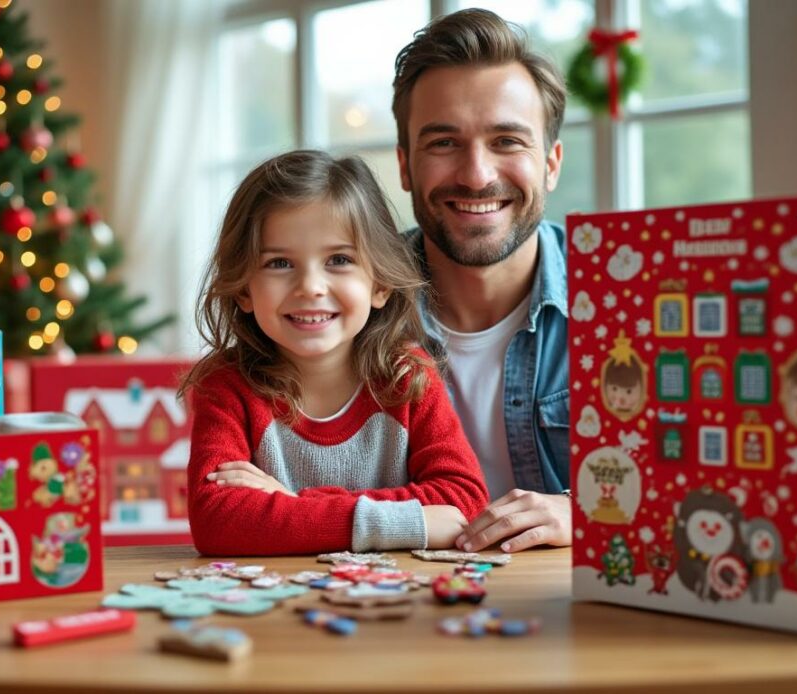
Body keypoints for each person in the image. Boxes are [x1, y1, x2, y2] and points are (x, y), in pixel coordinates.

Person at [181, 150, 489, 556]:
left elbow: (463, 503)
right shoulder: (226, 386)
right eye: (279, 263)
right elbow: (216, 522)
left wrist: (291, 503)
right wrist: (403, 521)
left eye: (339, 260)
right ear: (243, 289)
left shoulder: (407, 376)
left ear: (380, 284)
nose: (310, 287)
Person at [392, 8, 571, 552]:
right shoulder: (343, 307)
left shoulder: (631, 300)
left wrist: (590, 513)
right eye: (443, 143)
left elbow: (710, 485)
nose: (476, 175)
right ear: (405, 166)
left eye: (507, 141)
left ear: (551, 163)